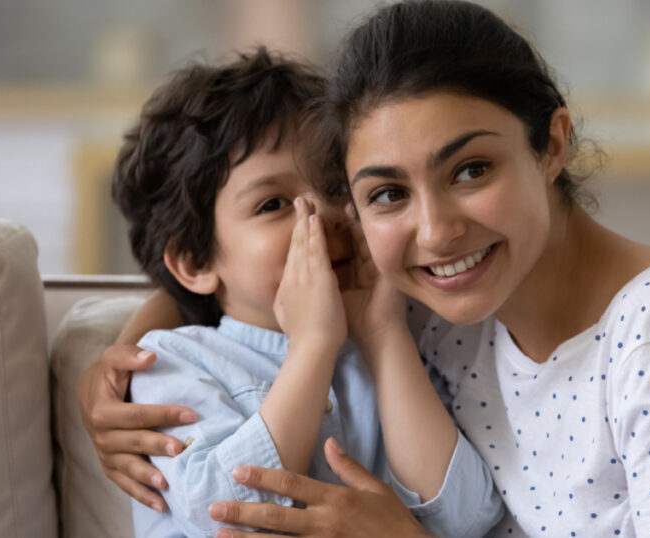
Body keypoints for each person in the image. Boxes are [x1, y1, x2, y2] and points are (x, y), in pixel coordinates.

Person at [80, 2, 650, 536]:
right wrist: (126, 357)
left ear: (552, 143)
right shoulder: (447, 320)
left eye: (469, 171)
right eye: (386, 193)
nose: (433, 231)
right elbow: (251, 303)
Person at [104, 47, 503, 537]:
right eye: (273, 203)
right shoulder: (173, 363)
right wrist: (313, 346)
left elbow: (465, 518)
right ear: (194, 262)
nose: (321, 213)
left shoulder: (398, 341)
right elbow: (223, 510)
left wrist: (383, 334)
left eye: (335, 186)